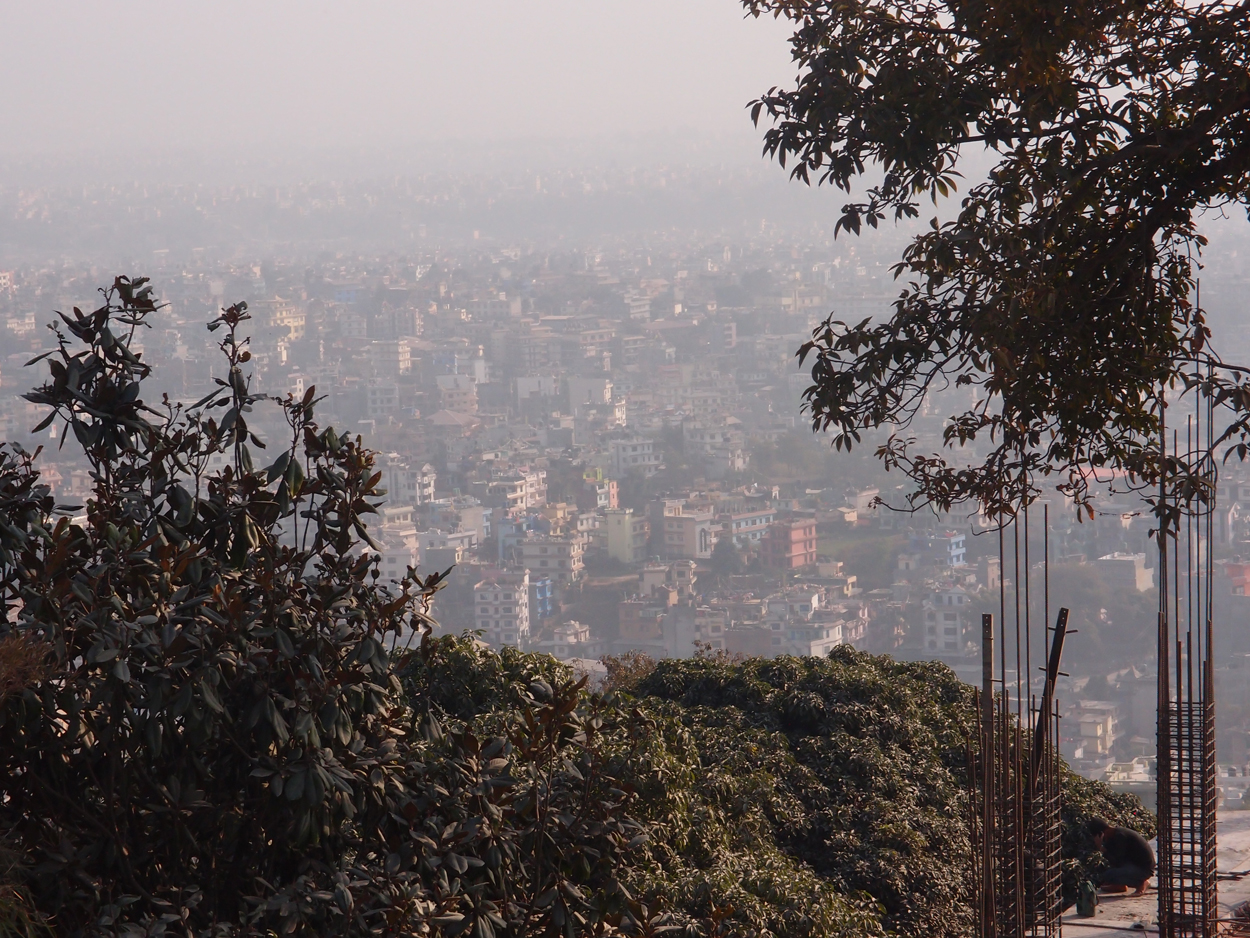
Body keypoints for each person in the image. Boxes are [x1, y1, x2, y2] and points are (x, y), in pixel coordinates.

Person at [1088, 818, 1155, 896]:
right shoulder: (1114, 835)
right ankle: (1120, 885)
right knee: (1107, 873)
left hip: (1144, 869)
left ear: (1101, 834)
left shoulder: (1120, 836)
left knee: (1109, 875)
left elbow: (1118, 861)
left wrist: (1102, 849)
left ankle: (1141, 882)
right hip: (1134, 865)